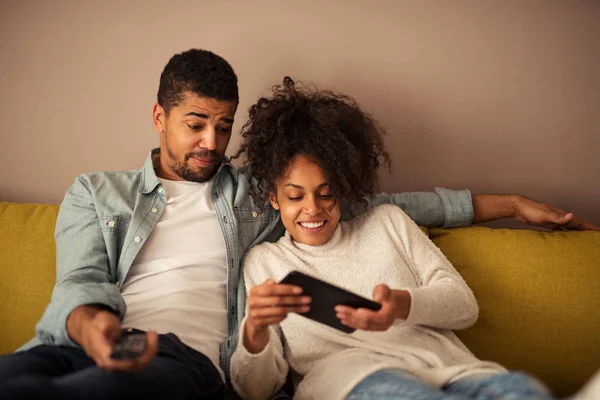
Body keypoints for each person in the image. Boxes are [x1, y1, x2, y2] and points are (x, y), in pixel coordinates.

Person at [0, 49, 595, 400]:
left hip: (179, 360)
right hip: (76, 340)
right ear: (159, 116)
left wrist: (510, 204)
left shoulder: (257, 198)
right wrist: (92, 327)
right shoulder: (98, 192)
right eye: (195, 123)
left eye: (224, 126)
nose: (212, 143)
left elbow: (383, 205)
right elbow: (79, 280)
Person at [229, 77, 568, 400]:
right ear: (274, 198)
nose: (312, 209)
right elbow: (255, 391)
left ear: (344, 189)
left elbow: (465, 308)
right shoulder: (265, 262)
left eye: (326, 193)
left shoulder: (386, 222)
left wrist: (402, 306)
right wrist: (255, 330)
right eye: (295, 196)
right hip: (357, 381)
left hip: (457, 373)